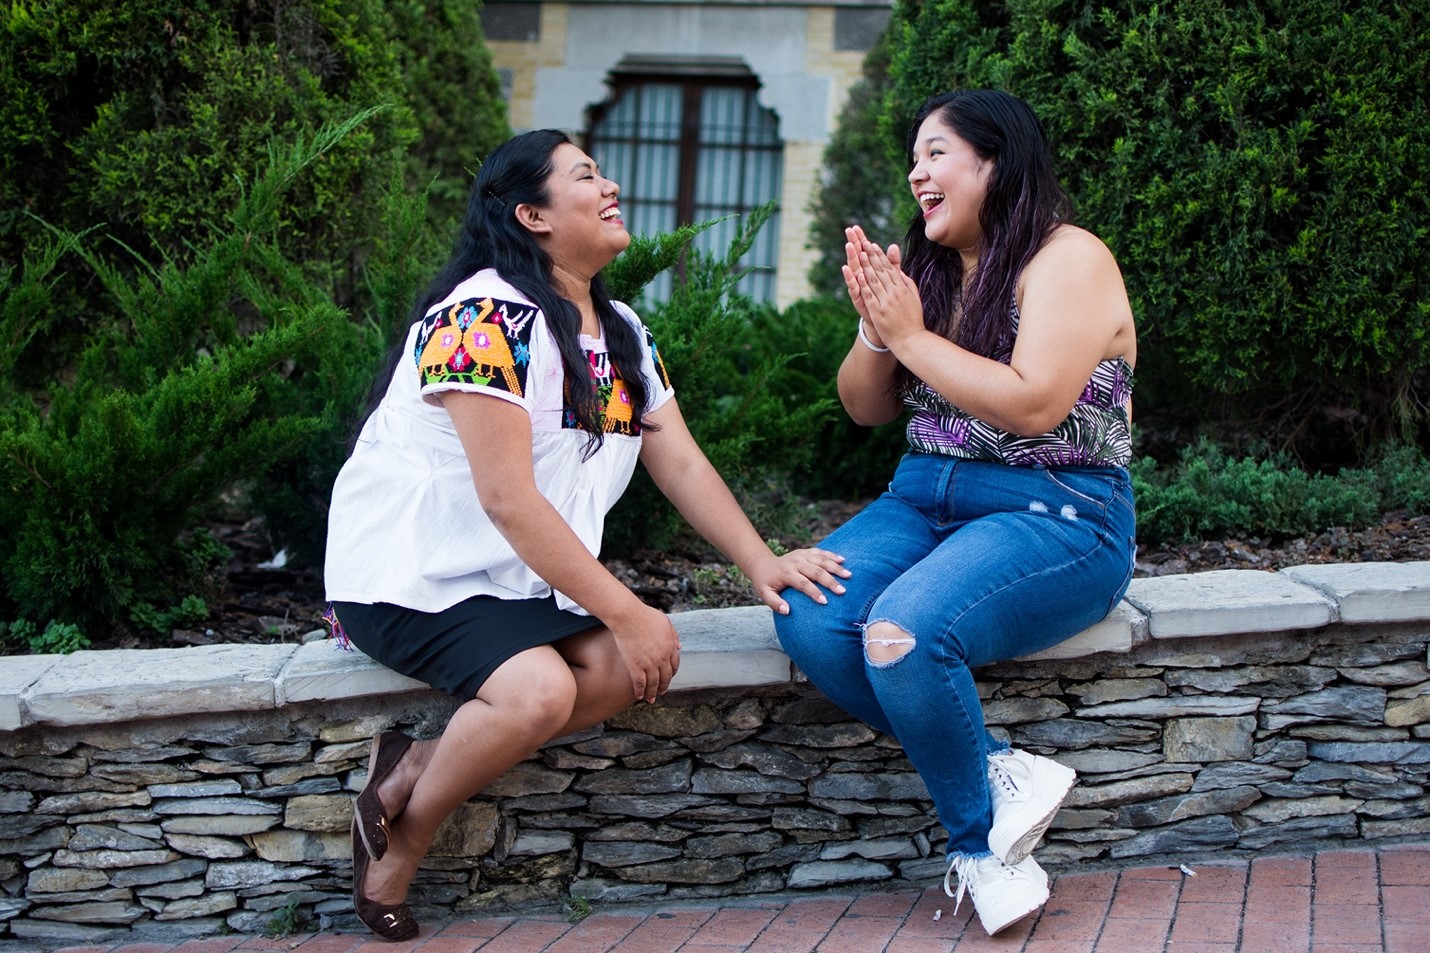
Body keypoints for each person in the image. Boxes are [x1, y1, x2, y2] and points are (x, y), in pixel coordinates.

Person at [323, 129, 850, 941]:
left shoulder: (624, 330)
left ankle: (415, 763)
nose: (609, 187)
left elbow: (681, 463)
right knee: (542, 689)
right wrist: (631, 609)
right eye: (585, 176)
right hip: (410, 574)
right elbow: (508, 499)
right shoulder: (481, 317)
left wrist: (761, 560)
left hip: (514, 581)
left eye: (602, 173)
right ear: (531, 213)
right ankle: (409, 833)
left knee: (622, 671)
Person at [772, 89, 1137, 936]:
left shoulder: (1067, 258)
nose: (916, 172)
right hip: (923, 496)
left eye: (936, 152)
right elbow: (863, 407)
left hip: (1060, 512)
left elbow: (1035, 403)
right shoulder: (933, 277)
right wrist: (877, 326)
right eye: (914, 157)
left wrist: (910, 335)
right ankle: (999, 780)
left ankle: (977, 848)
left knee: (902, 629)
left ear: (995, 161)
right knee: (810, 612)